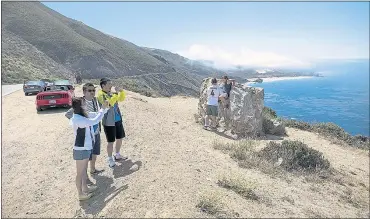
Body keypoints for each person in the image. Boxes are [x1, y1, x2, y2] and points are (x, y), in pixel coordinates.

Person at [69, 97, 109, 201]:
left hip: (85, 148)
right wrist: (102, 109)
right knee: (80, 173)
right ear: (80, 106)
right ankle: (80, 194)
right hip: (81, 149)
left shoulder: (81, 116)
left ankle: (85, 188)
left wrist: (105, 108)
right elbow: (95, 120)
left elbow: (96, 115)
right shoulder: (78, 119)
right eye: (84, 104)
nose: (86, 105)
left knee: (83, 171)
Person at [66, 83, 104, 178]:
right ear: (84, 92)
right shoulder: (80, 102)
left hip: (96, 131)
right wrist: (78, 123)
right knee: (86, 157)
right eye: (89, 90)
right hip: (87, 135)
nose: (92, 92)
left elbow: (98, 114)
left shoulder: (95, 100)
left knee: (95, 152)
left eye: (93, 90)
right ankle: (85, 177)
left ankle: (93, 169)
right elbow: (68, 114)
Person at [97, 78, 127, 168]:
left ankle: (117, 154)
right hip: (108, 122)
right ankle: (110, 158)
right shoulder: (100, 95)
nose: (111, 86)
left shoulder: (111, 93)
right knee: (110, 141)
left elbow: (121, 99)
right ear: (103, 85)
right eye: (109, 84)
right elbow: (109, 105)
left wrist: (121, 92)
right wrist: (116, 94)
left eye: (111, 84)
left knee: (119, 138)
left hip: (117, 119)